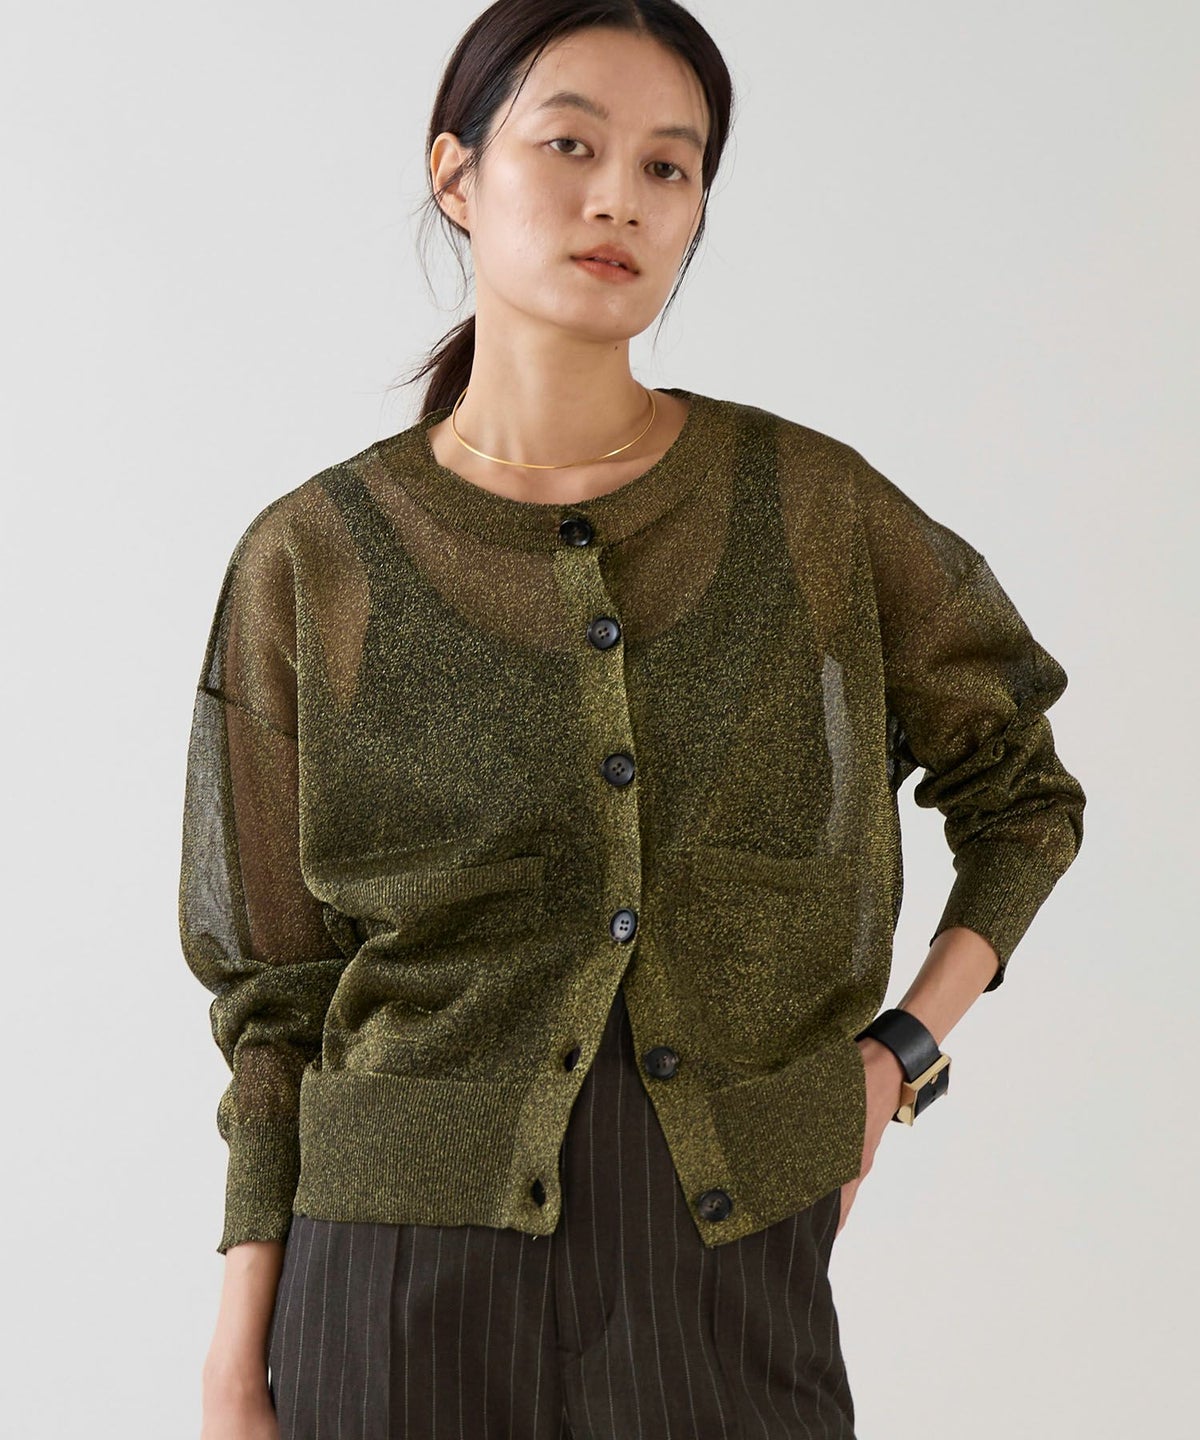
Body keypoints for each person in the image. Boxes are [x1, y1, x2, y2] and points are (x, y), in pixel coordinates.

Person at [181, 3, 1086, 1437]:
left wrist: (900, 1055)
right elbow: (273, 999)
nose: (622, 198)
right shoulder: (314, 558)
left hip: (725, 1266)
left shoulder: (809, 508)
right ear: (457, 174)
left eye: (670, 166)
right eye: (571, 145)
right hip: (392, 1278)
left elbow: (1021, 790)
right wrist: (238, 1361)